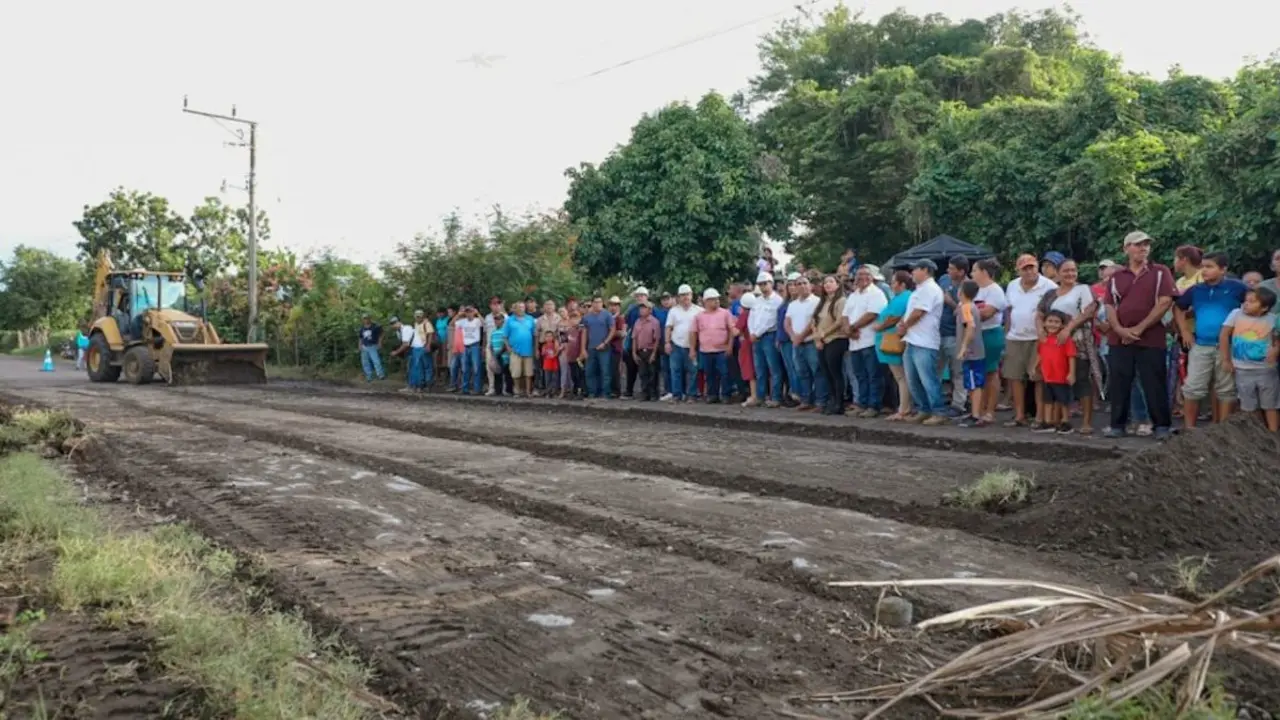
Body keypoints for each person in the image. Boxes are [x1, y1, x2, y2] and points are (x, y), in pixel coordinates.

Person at [1103, 231, 1176, 440]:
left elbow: (1164, 302)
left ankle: (1161, 425)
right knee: (1120, 381)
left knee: (1154, 381)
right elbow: (1109, 305)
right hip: (1120, 338)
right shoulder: (1117, 276)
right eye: (1137, 245)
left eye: (1146, 244)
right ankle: (1118, 425)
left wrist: (1140, 328)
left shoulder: (1160, 272)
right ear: (1126, 248)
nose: (1142, 248)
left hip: (1151, 337)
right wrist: (1119, 330)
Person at [1177, 252, 1247, 428]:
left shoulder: (1237, 288)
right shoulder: (1196, 290)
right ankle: (1189, 430)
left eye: (1209, 267)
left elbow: (1256, 304)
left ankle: (1223, 431)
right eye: (1202, 267)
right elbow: (1178, 307)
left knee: (1226, 389)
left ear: (1223, 269)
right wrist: (1184, 331)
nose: (1204, 271)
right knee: (1192, 387)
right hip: (1200, 345)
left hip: (1228, 346)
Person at [1036, 259, 1099, 433]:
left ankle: (1086, 422)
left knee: (1081, 380)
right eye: (1066, 271)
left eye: (1073, 270)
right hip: (1053, 345)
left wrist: (1068, 329)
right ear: (1057, 272)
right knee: (1055, 382)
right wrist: (1041, 331)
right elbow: (1040, 314)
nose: (1070, 274)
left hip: (1077, 341)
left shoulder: (1083, 290)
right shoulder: (1050, 294)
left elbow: (1089, 311)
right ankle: (1057, 421)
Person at [1003, 254, 1057, 428]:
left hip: (1038, 338)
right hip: (1015, 336)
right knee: (1015, 377)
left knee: (1038, 377)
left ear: (1037, 267)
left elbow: (1055, 315)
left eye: (1031, 267)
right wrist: (1007, 332)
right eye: (1024, 268)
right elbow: (1009, 311)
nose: (1029, 271)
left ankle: (1040, 417)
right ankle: (1020, 415)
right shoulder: (1012, 285)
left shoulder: (1049, 286)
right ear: (1018, 270)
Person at [1221, 286, 1280, 431]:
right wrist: (1226, 359)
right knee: (1248, 406)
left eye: (1252, 302)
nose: (1246, 304)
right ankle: (1256, 437)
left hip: (1266, 370)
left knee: (1270, 405)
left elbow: (1277, 339)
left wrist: (1276, 351)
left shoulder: (1273, 320)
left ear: (1264, 307)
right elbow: (1223, 335)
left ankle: (1273, 435)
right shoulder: (1236, 314)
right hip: (1242, 369)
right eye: (1246, 301)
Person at [898, 259, 948, 425]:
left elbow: (919, 313)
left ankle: (938, 411)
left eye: (915, 269)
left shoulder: (930, 289)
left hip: (925, 341)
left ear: (925, 270)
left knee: (928, 378)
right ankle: (924, 409)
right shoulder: (919, 290)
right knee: (913, 380)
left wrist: (904, 326)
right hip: (913, 339)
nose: (912, 273)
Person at [842, 266, 887, 418]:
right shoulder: (854, 295)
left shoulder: (876, 293)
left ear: (872, 277)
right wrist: (847, 329)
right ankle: (862, 403)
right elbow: (845, 315)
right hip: (854, 343)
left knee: (873, 375)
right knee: (860, 375)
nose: (862, 277)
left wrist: (853, 327)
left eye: (866, 275)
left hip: (870, 341)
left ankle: (873, 406)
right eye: (859, 275)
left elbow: (872, 314)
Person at [874, 271, 915, 420]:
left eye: (893, 282)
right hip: (892, 338)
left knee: (900, 377)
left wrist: (879, 327)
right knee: (901, 376)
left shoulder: (903, 298)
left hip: (893, 339)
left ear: (902, 284)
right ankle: (905, 407)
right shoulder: (902, 297)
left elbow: (894, 317)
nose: (891, 285)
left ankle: (904, 409)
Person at [970, 259, 1007, 423]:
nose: (972, 274)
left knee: (991, 372)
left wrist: (969, 313)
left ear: (984, 272)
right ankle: (979, 409)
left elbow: (987, 314)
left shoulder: (995, 291)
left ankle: (990, 410)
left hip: (990, 333)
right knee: (979, 372)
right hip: (976, 333)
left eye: (974, 270)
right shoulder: (974, 290)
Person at [1033, 310, 1078, 434]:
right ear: (1044, 323)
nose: (1053, 324)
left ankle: (1065, 422)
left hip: (1061, 376)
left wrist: (1071, 373)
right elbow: (1040, 355)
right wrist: (1035, 367)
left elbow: (1071, 356)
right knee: (1048, 400)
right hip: (1047, 376)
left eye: (1056, 322)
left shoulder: (1065, 340)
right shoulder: (1043, 340)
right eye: (1050, 321)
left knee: (1063, 401)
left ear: (1062, 325)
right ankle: (1048, 422)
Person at [785, 276, 825, 411]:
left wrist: (801, 336)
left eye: (805, 283)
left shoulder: (817, 301)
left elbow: (813, 322)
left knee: (817, 372)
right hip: (796, 344)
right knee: (802, 372)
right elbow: (787, 322)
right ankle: (806, 400)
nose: (802, 286)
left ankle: (820, 401)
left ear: (811, 286)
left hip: (810, 342)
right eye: (799, 284)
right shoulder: (792, 304)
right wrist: (792, 336)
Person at [811, 276, 848, 415]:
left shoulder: (841, 301)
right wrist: (817, 337)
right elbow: (814, 321)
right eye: (825, 282)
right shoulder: (822, 302)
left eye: (831, 281)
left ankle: (839, 403)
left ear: (838, 284)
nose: (827, 284)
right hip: (822, 341)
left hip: (836, 339)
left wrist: (824, 334)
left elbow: (839, 321)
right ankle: (832, 400)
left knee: (835, 372)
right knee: (826, 372)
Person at [689, 288, 735, 403]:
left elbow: (731, 331)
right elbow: (693, 333)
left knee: (724, 372)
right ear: (706, 301)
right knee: (709, 374)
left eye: (717, 299)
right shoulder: (699, 316)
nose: (717, 301)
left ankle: (726, 395)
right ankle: (712, 395)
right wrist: (692, 349)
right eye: (713, 299)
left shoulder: (725, 313)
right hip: (705, 350)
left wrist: (730, 345)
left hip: (722, 350)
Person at [747, 271, 784, 408]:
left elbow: (771, 320)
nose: (763, 287)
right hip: (756, 337)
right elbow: (752, 318)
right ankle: (760, 396)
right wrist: (752, 333)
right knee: (760, 368)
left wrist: (757, 333)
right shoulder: (757, 301)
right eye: (760, 284)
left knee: (774, 368)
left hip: (769, 335)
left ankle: (775, 397)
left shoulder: (777, 300)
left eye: (765, 284)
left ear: (771, 283)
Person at [938, 255, 970, 414]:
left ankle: (959, 404)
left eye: (952, 269)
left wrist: (949, 301)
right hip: (938, 332)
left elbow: (966, 311)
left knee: (957, 371)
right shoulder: (943, 280)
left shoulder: (969, 286)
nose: (948, 271)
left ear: (962, 271)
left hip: (956, 334)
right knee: (937, 370)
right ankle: (937, 401)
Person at [954, 280, 988, 427]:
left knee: (974, 384)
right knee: (973, 383)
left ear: (961, 292)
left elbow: (970, 327)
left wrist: (963, 347)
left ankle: (975, 415)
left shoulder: (966, 307)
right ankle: (975, 412)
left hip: (972, 353)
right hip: (975, 351)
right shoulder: (969, 306)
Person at [664, 285, 702, 402]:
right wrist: (667, 342)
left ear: (691, 295)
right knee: (675, 371)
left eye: (687, 294)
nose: (685, 297)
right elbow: (668, 327)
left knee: (693, 371)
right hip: (676, 345)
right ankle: (677, 395)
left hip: (693, 346)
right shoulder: (673, 310)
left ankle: (691, 395)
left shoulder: (699, 311)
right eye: (682, 295)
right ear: (679, 297)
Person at [581, 296, 616, 399]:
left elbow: (612, 330)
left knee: (605, 371)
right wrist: (583, 348)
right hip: (591, 348)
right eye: (595, 302)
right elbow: (584, 332)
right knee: (589, 371)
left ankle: (605, 393)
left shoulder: (607, 315)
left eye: (600, 302)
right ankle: (592, 392)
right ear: (592, 304)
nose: (597, 304)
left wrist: (605, 343)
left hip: (604, 348)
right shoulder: (587, 317)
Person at [622, 288, 650, 400]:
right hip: (632, 342)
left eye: (642, 296)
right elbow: (626, 323)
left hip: (646, 343)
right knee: (631, 369)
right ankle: (629, 391)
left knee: (646, 370)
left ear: (646, 297)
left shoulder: (652, 309)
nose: (640, 298)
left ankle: (646, 392)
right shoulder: (631, 309)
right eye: (638, 296)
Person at [505, 301, 537, 398]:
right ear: (515, 309)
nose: (520, 309)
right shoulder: (510, 320)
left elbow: (535, 335)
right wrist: (508, 348)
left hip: (528, 350)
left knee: (528, 372)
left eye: (522, 307)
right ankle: (517, 391)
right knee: (516, 372)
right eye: (518, 307)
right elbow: (505, 336)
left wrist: (535, 348)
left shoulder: (530, 319)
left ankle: (528, 392)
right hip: (515, 350)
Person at [631, 301, 662, 400]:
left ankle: (653, 394)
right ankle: (645, 393)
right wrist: (634, 352)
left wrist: (653, 353)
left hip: (650, 350)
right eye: (640, 308)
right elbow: (634, 338)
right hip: (640, 350)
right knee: (643, 373)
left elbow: (657, 339)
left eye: (644, 308)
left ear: (650, 310)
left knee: (652, 373)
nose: (641, 310)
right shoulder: (637, 321)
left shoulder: (654, 322)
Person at [534, 300, 561, 397]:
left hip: (556, 345)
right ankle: (546, 389)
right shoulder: (540, 319)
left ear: (554, 306)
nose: (549, 307)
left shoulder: (559, 317)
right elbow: (536, 335)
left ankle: (555, 389)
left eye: (551, 304)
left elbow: (559, 333)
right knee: (544, 368)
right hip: (543, 345)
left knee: (556, 369)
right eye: (547, 305)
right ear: (544, 307)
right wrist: (536, 349)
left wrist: (557, 344)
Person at [735, 293, 757, 406]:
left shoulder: (744, 315)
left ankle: (754, 396)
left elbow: (736, 331)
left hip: (746, 345)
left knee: (750, 370)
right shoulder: (756, 312)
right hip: (756, 343)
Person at [457, 306, 485, 395]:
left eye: (471, 312)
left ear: (473, 312)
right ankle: (465, 388)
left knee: (476, 368)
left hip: (475, 346)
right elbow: (451, 324)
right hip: (465, 346)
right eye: (467, 312)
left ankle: (477, 389)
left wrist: (478, 314)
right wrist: (458, 314)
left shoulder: (477, 320)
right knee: (465, 368)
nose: (469, 313)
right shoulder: (463, 321)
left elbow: (485, 324)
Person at [559, 307, 584, 399]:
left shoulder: (581, 331)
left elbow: (584, 343)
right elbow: (564, 342)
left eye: (576, 318)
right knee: (573, 374)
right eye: (572, 318)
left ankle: (580, 391)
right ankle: (574, 390)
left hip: (579, 356)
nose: (574, 320)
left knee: (579, 374)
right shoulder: (568, 331)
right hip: (570, 356)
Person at [489, 313, 514, 396]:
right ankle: (498, 391)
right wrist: (493, 356)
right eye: (495, 319)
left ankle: (508, 391)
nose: (497, 321)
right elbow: (491, 345)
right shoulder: (493, 332)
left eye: (499, 319)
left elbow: (506, 343)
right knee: (497, 374)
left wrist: (500, 352)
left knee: (507, 374)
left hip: (504, 355)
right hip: (496, 356)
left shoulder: (505, 330)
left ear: (503, 320)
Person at [357, 314, 386, 382]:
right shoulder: (362, 328)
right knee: (365, 363)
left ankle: (380, 375)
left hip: (373, 346)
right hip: (364, 347)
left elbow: (382, 333)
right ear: (363, 320)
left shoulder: (375, 326)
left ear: (370, 318)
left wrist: (380, 342)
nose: (366, 320)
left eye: (367, 318)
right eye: (364, 318)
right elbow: (360, 338)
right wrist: (359, 345)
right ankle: (369, 377)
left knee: (376, 361)